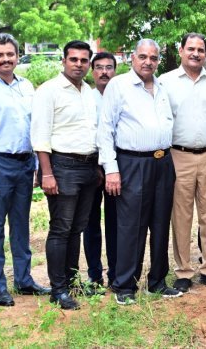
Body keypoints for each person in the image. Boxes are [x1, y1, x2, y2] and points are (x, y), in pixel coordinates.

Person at [0, 33, 50, 308]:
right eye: (0, 55)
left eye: (10, 54)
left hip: (25, 164)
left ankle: (24, 280)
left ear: (17, 56)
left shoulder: (27, 87)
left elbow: (35, 128)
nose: (5, 59)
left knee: (21, 226)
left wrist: (38, 165)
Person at [97, 39, 183, 304]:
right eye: (143, 56)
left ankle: (156, 281)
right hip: (132, 163)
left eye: (153, 58)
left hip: (163, 162)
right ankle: (125, 285)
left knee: (159, 223)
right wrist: (111, 169)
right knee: (130, 225)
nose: (148, 62)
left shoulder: (162, 87)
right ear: (132, 58)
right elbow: (105, 129)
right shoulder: (118, 85)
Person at [159, 33, 206, 292]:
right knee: (180, 216)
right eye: (190, 48)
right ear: (180, 50)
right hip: (177, 155)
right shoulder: (165, 82)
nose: (195, 53)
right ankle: (183, 271)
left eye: (200, 50)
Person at [31, 40, 99, 310]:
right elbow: (40, 136)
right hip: (62, 167)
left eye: (84, 60)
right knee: (60, 228)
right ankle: (57, 289)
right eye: (74, 60)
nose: (79, 65)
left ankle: (71, 281)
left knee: (77, 229)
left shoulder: (89, 92)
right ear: (64, 61)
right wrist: (47, 173)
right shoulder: (49, 91)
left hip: (87, 167)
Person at [83, 52, 117, 292]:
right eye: (99, 67)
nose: (104, 72)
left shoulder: (122, 95)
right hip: (90, 167)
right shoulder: (86, 98)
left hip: (117, 167)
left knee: (116, 223)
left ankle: (117, 272)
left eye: (109, 67)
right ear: (92, 71)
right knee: (90, 223)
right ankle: (95, 275)